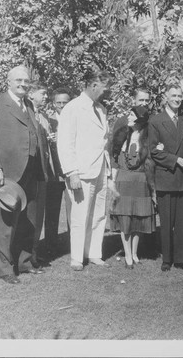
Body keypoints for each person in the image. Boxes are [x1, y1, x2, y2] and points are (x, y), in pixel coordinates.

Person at [0, 66, 48, 284]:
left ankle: (25, 262)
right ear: (8, 81)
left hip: (32, 170)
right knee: (6, 222)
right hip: (7, 173)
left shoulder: (28, 105)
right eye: (19, 80)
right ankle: (6, 269)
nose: (23, 84)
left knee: (29, 220)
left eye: (26, 81)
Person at [57, 69, 112, 271]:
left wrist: (108, 171)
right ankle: (77, 258)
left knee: (98, 214)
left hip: (100, 170)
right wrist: (72, 172)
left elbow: (104, 143)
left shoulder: (102, 110)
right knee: (80, 215)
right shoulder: (73, 108)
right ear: (93, 85)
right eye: (104, 87)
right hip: (81, 171)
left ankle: (94, 253)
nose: (107, 92)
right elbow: (65, 143)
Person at [148, 85, 183, 273]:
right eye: (173, 95)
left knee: (182, 222)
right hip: (166, 177)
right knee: (166, 222)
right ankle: (166, 259)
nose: (177, 98)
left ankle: (181, 259)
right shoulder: (156, 121)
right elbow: (154, 151)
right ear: (165, 98)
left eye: (179, 96)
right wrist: (175, 159)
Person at [109, 105, 156, 269]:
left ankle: (135, 253)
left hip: (141, 183)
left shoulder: (148, 138)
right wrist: (112, 181)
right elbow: (114, 158)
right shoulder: (122, 136)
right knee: (125, 219)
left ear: (139, 119)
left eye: (131, 115)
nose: (127, 117)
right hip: (124, 181)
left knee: (138, 219)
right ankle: (128, 255)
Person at [27, 84, 58, 266]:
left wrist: (50, 140)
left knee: (38, 216)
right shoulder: (27, 114)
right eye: (43, 93)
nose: (46, 96)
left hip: (44, 173)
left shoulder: (44, 117)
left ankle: (34, 254)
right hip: (31, 174)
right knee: (29, 217)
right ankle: (26, 255)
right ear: (31, 94)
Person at [44, 87, 72, 258]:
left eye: (65, 103)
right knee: (52, 212)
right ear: (53, 104)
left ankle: (73, 246)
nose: (62, 106)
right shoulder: (48, 120)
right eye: (59, 103)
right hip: (54, 175)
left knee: (73, 212)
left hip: (71, 173)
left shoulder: (75, 119)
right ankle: (50, 247)